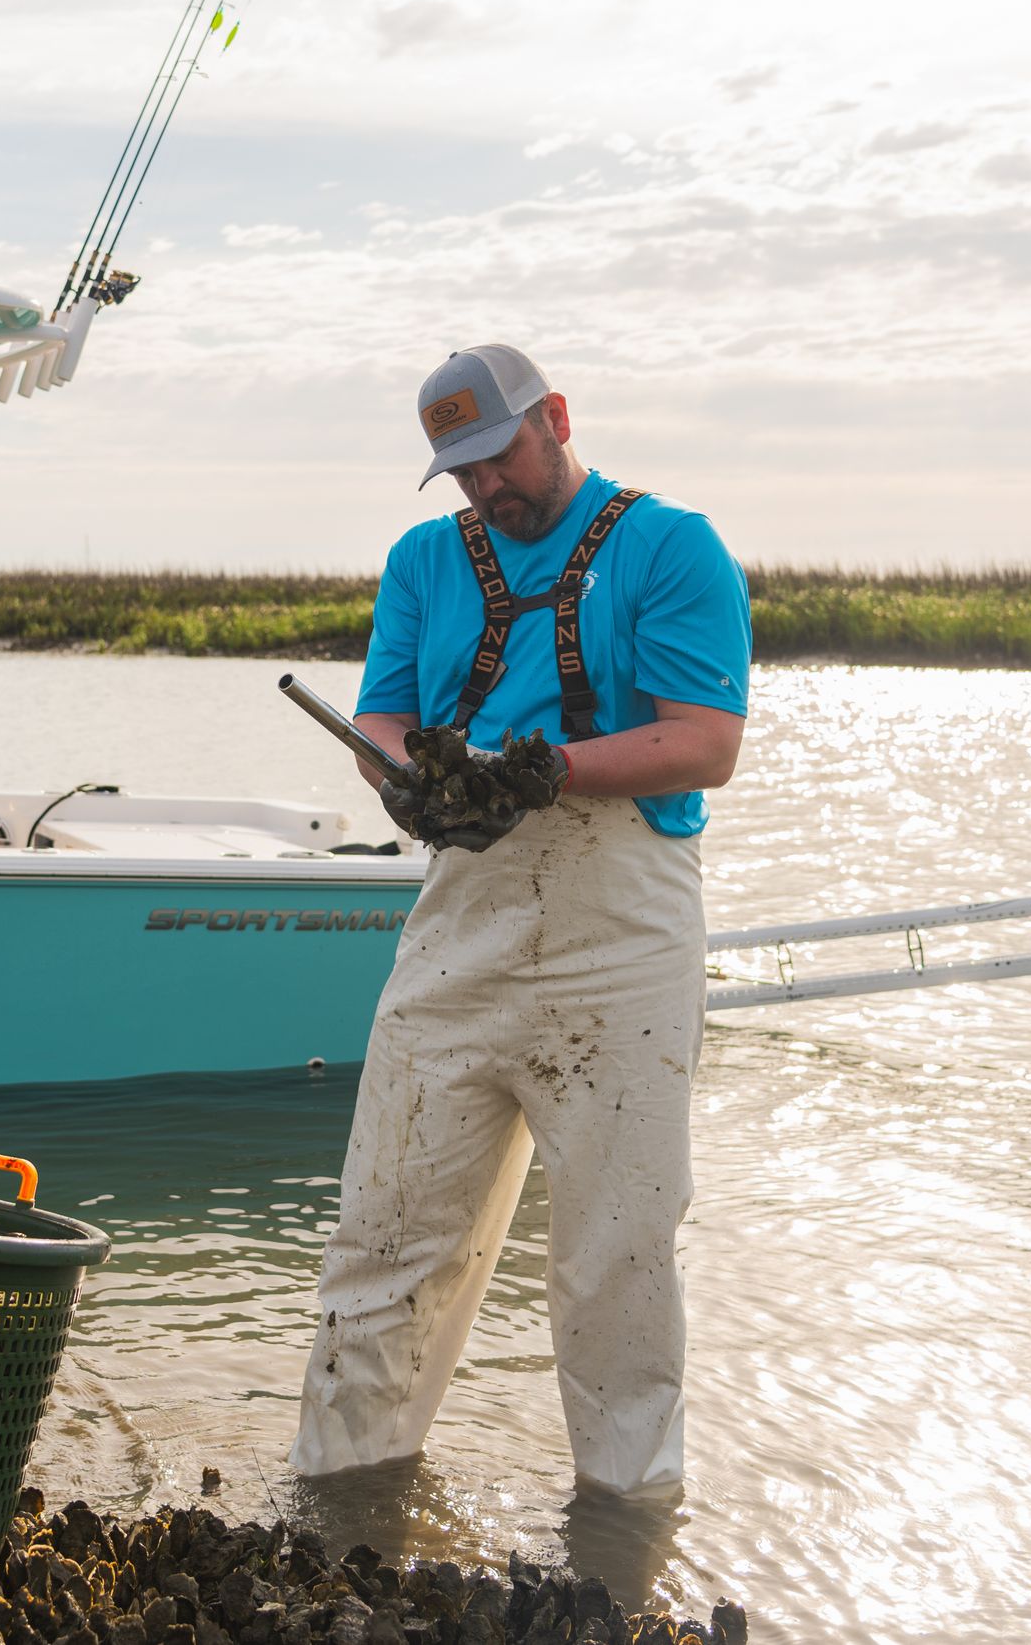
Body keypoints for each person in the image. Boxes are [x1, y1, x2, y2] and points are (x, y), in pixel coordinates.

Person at [290, 344, 751, 1496]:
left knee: (615, 1251)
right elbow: (384, 715)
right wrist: (409, 776)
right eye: (458, 473)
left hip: (622, 929)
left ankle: (623, 1519)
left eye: (496, 457)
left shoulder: (669, 546)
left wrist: (538, 771)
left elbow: (704, 740)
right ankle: (341, 1500)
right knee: (384, 1233)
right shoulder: (422, 559)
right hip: (462, 914)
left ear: (552, 416)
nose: (483, 490)